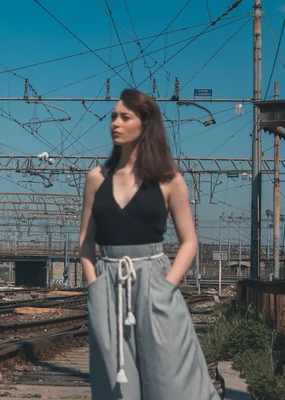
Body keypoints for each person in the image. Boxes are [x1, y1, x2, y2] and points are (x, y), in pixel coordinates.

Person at [78, 88, 221, 400]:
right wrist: (95, 288)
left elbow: (188, 241)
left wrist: (167, 286)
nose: (115, 122)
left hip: (154, 281)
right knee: (116, 384)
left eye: (124, 117)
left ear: (145, 124)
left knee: (170, 380)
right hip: (109, 283)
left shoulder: (170, 180)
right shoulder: (96, 178)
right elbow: (86, 241)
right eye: (113, 116)